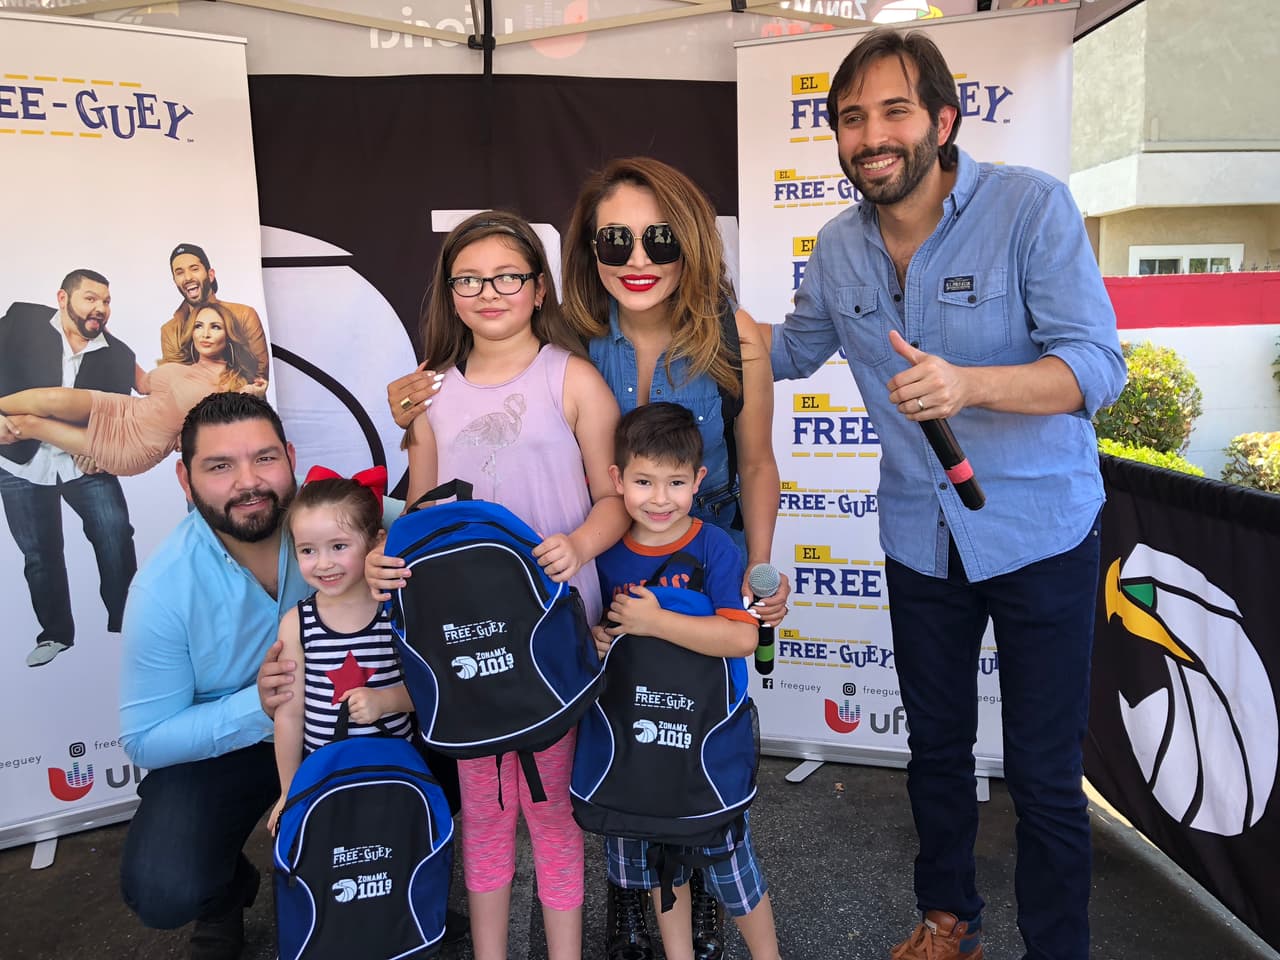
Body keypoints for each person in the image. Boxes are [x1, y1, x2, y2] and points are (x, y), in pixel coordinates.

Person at [767, 28, 1126, 960]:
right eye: (851, 118)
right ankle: (947, 919)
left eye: (892, 111)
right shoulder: (840, 245)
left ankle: (1058, 947)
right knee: (936, 749)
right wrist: (659, 313)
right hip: (918, 535)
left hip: (1039, 530)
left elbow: (1096, 366)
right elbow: (788, 350)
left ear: (943, 119)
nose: (869, 135)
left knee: (1046, 775)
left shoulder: (1029, 207)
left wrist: (972, 383)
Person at [386, 159, 792, 959]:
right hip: (602, 580)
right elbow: (483, 403)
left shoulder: (735, 335)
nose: (637, 257)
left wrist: (762, 569)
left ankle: (703, 896)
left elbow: (755, 464)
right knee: (612, 748)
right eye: (616, 238)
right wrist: (411, 413)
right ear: (586, 251)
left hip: (698, 568)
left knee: (695, 739)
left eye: (659, 237)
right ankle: (635, 905)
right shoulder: (573, 331)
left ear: (694, 242)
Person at [371, 210, 628, 960]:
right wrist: (389, 558)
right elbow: (419, 516)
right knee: (484, 817)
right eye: (470, 279)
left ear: (539, 287)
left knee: (552, 817)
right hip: (465, 645)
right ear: (451, 294)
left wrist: (578, 544)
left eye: (508, 276)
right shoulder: (427, 395)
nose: (491, 292)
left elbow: (613, 500)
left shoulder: (570, 378)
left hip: (551, 637)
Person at [118, 391, 308, 960]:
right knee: (164, 886)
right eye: (220, 466)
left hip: (339, 721)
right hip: (230, 745)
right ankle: (225, 892)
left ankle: (393, 885)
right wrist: (258, 705)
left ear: (291, 457)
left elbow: (430, 525)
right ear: (185, 479)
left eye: (265, 459)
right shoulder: (163, 588)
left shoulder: (340, 515)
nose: (248, 482)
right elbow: (145, 737)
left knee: (450, 748)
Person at [594, 401, 782, 960]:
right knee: (658, 865)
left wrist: (655, 622)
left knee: (731, 864)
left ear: (699, 480)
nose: (659, 498)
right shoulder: (603, 554)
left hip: (703, 739)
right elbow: (593, 637)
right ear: (616, 480)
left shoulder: (714, 547)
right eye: (644, 481)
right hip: (636, 739)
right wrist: (599, 640)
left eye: (675, 483)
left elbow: (742, 638)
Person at [0, 269, 139, 667]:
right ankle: (55, 635)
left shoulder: (119, 355)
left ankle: (127, 620)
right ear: (63, 298)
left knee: (114, 532)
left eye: (106, 301)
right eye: (91, 299)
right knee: (39, 553)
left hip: (83, 463)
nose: (100, 309)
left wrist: (101, 449)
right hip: (19, 462)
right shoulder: (21, 320)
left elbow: (115, 418)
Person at [266, 466, 414, 835]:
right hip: (325, 777)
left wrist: (386, 701)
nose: (323, 563)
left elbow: (431, 689)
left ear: (376, 542)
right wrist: (290, 791)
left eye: (339, 546)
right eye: (307, 550)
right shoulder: (297, 623)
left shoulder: (395, 609)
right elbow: (289, 714)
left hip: (396, 774)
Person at [0, 302, 265, 477]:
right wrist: (105, 333)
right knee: (52, 397)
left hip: (133, 444)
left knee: (29, 424)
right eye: (199, 326)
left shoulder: (233, 386)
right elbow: (142, 383)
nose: (205, 334)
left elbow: (228, 429)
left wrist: (256, 396)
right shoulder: (182, 367)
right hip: (124, 408)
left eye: (215, 327)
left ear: (228, 336)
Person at [158, 243, 270, 382]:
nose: (187, 278)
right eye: (180, 272)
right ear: (175, 281)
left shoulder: (244, 315)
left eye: (194, 269)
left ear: (210, 275)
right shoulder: (170, 331)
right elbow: (174, 385)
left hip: (240, 401)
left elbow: (259, 378)